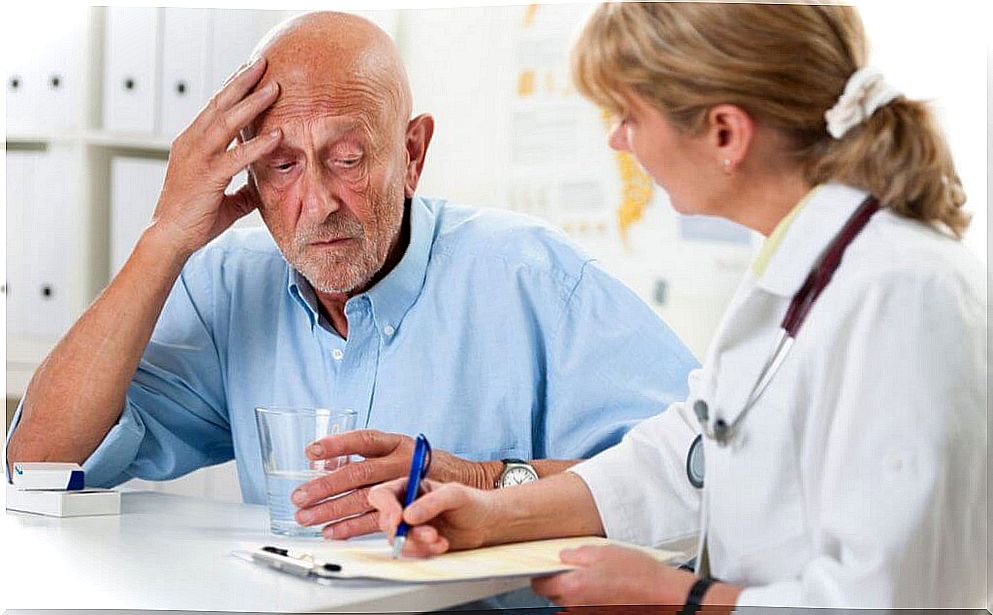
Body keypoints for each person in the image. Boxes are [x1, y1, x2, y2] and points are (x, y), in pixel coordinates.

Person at [368, 2, 987, 608]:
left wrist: (681, 598)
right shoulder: (795, 276)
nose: (616, 140)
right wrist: (489, 517)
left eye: (629, 116)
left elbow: (893, 596)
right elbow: (683, 460)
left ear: (725, 132)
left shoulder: (900, 290)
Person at [5, 11, 698, 540]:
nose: (317, 200)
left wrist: (485, 479)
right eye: (281, 165)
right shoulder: (229, 287)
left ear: (413, 152)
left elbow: (706, 479)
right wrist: (163, 240)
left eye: (346, 157)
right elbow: (37, 464)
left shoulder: (535, 277)